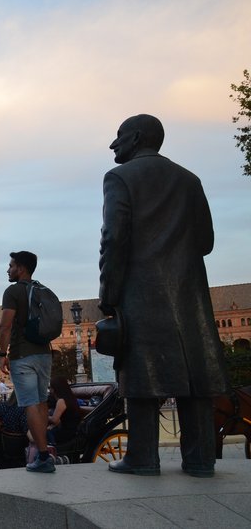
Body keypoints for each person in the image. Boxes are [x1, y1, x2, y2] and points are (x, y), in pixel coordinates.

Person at [99, 114, 231, 477]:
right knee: (195, 373)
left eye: (119, 137)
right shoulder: (190, 180)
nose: (114, 145)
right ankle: (201, 460)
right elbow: (206, 242)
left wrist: (108, 293)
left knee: (141, 375)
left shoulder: (119, 178)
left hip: (141, 291)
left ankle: (143, 457)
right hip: (188, 291)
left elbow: (114, 240)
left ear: (137, 138)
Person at [0, 250, 55, 473]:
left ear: (20, 268)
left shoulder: (13, 291)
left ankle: (42, 456)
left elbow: (5, 325)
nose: (8, 269)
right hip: (44, 353)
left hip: (23, 355)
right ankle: (45, 450)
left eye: (11, 265)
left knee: (30, 404)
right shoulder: (43, 289)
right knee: (41, 403)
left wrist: (2, 353)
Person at [45, 377, 81, 446]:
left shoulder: (61, 401)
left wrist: (43, 416)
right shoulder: (71, 398)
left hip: (66, 432)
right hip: (73, 429)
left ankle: (52, 448)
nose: (50, 390)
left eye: (50, 388)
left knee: (44, 432)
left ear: (55, 389)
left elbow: (54, 420)